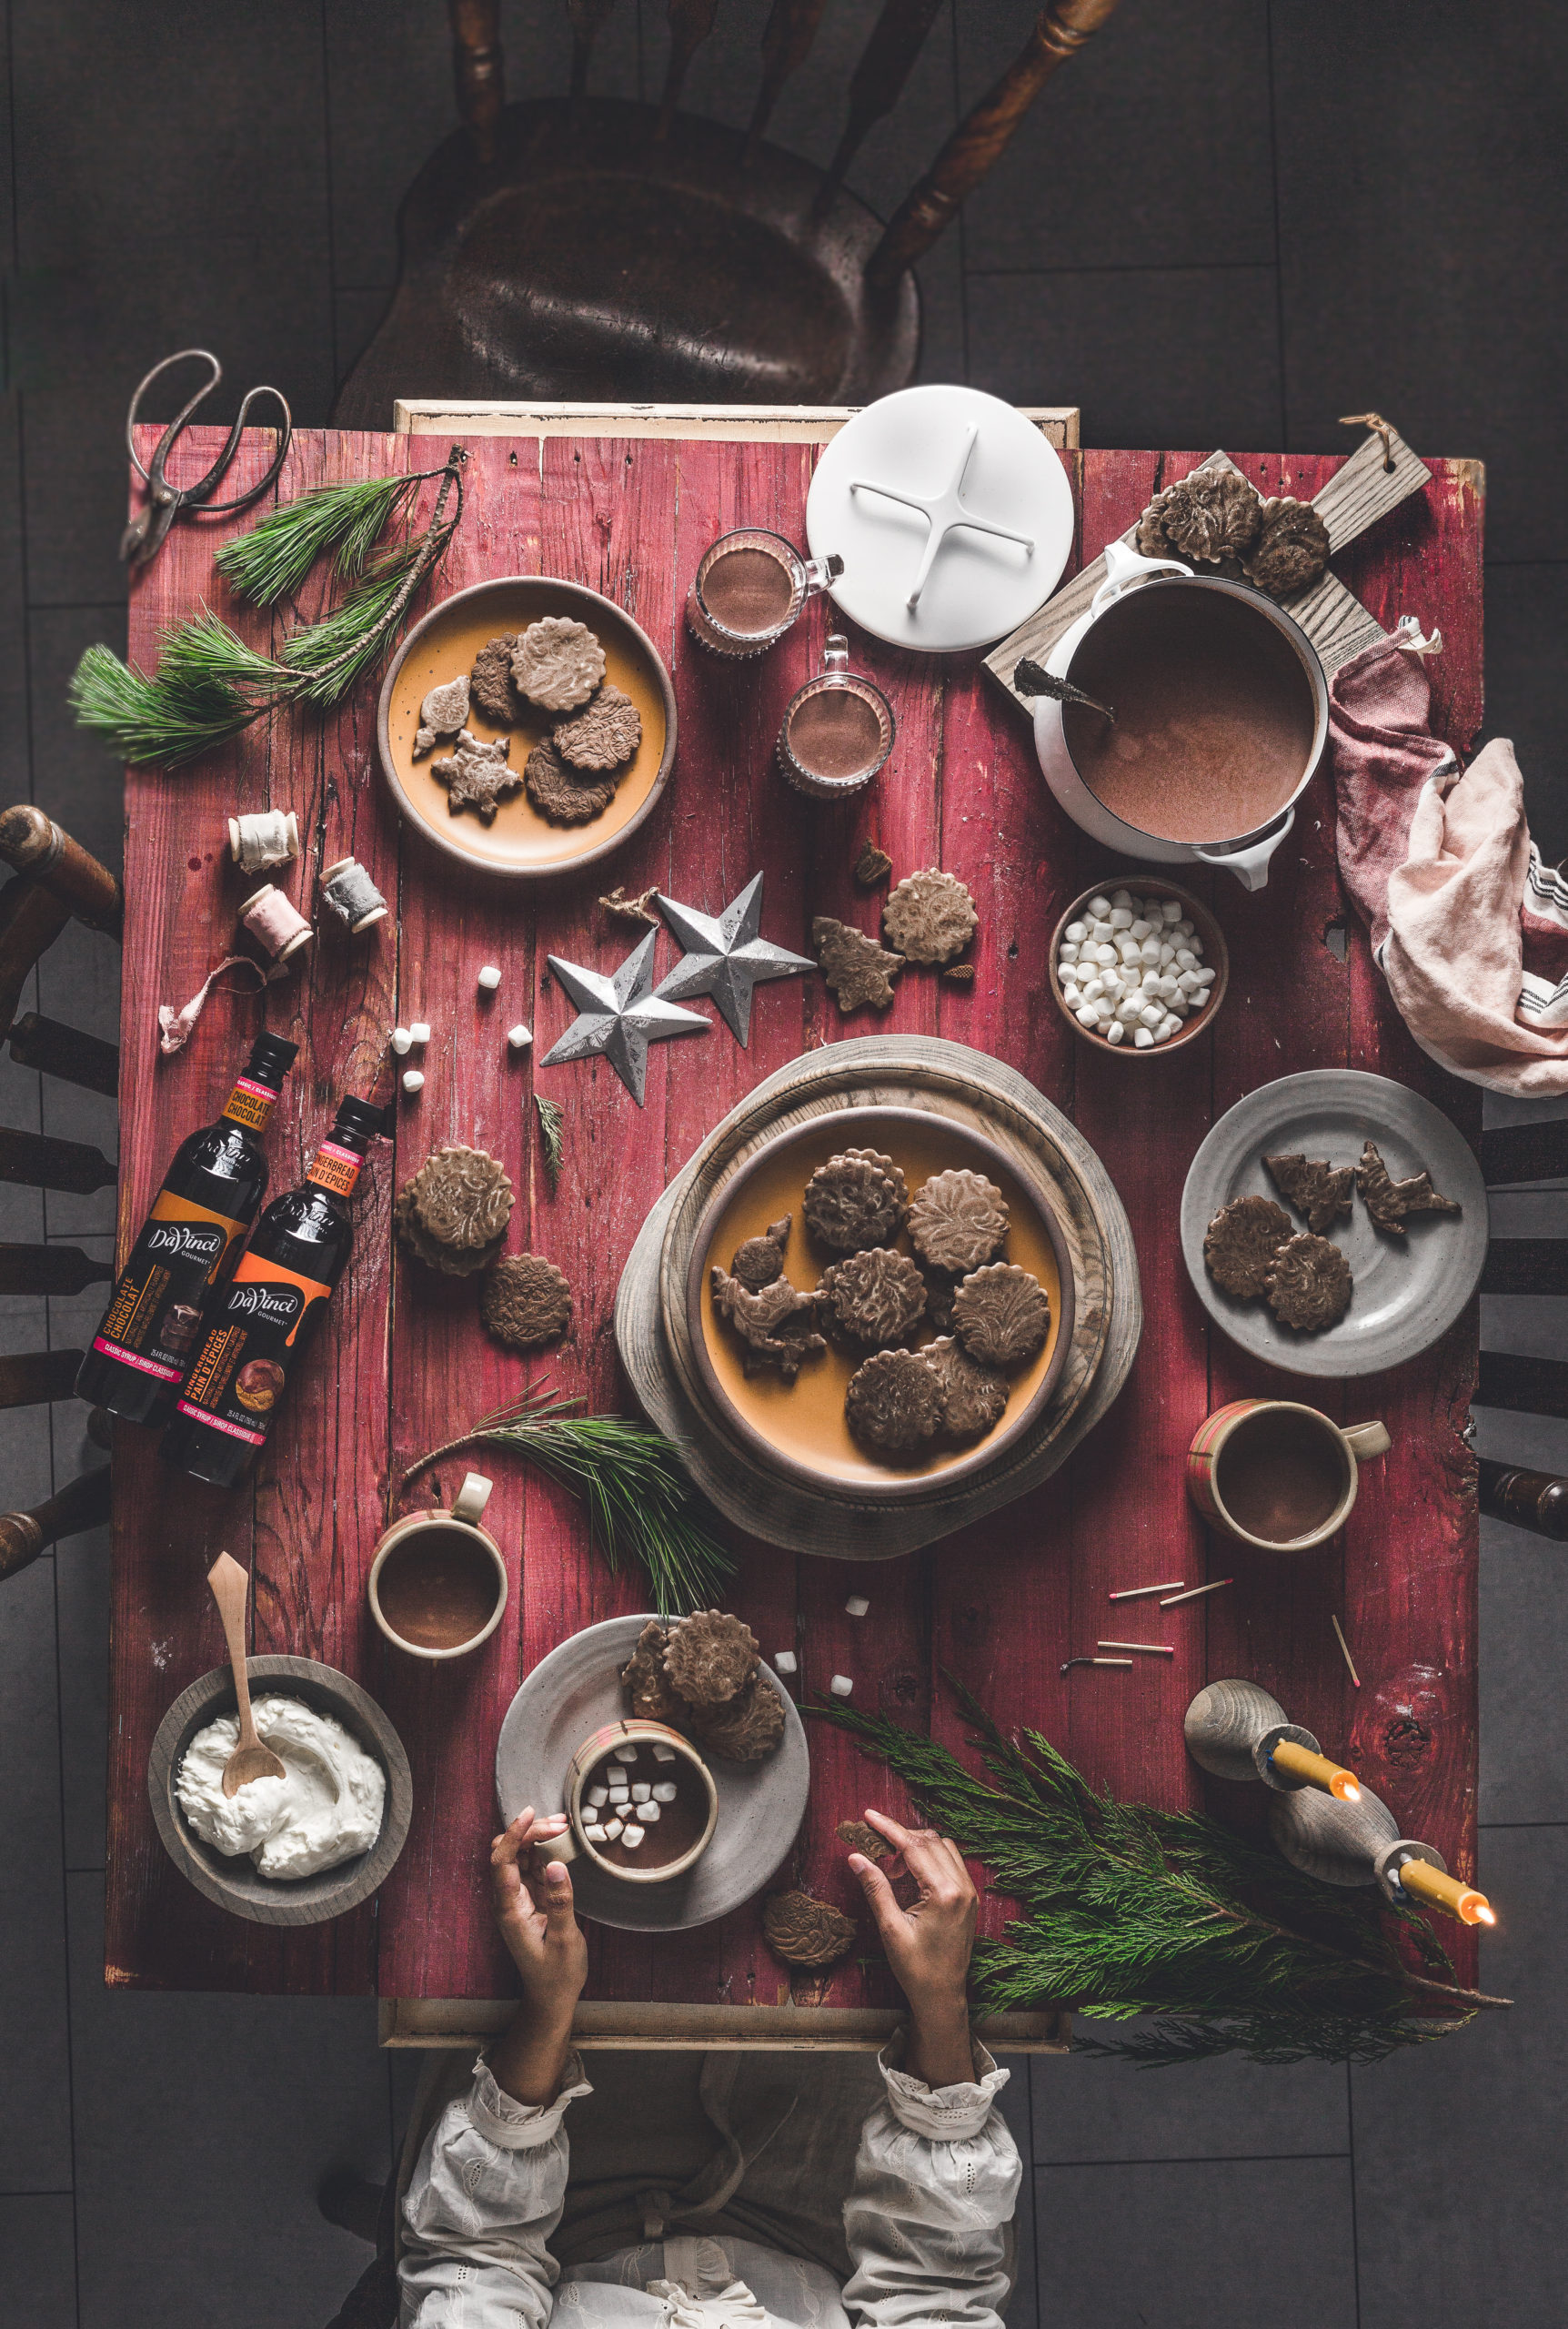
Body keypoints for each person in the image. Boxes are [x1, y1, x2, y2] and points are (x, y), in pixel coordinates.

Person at [398, 1805, 1022, 2328]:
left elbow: (477, 2256)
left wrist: (547, 2007)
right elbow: (936, 2282)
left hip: (563, 2214)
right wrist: (942, 1999)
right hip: (823, 2217)